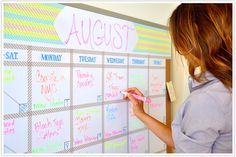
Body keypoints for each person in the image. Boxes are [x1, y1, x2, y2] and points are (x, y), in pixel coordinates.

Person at [124, 4, 232, 153]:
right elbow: (187, 143)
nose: (178, 49)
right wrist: (141, 114)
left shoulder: (207, 99)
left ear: (192, 36)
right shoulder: (224, 85)